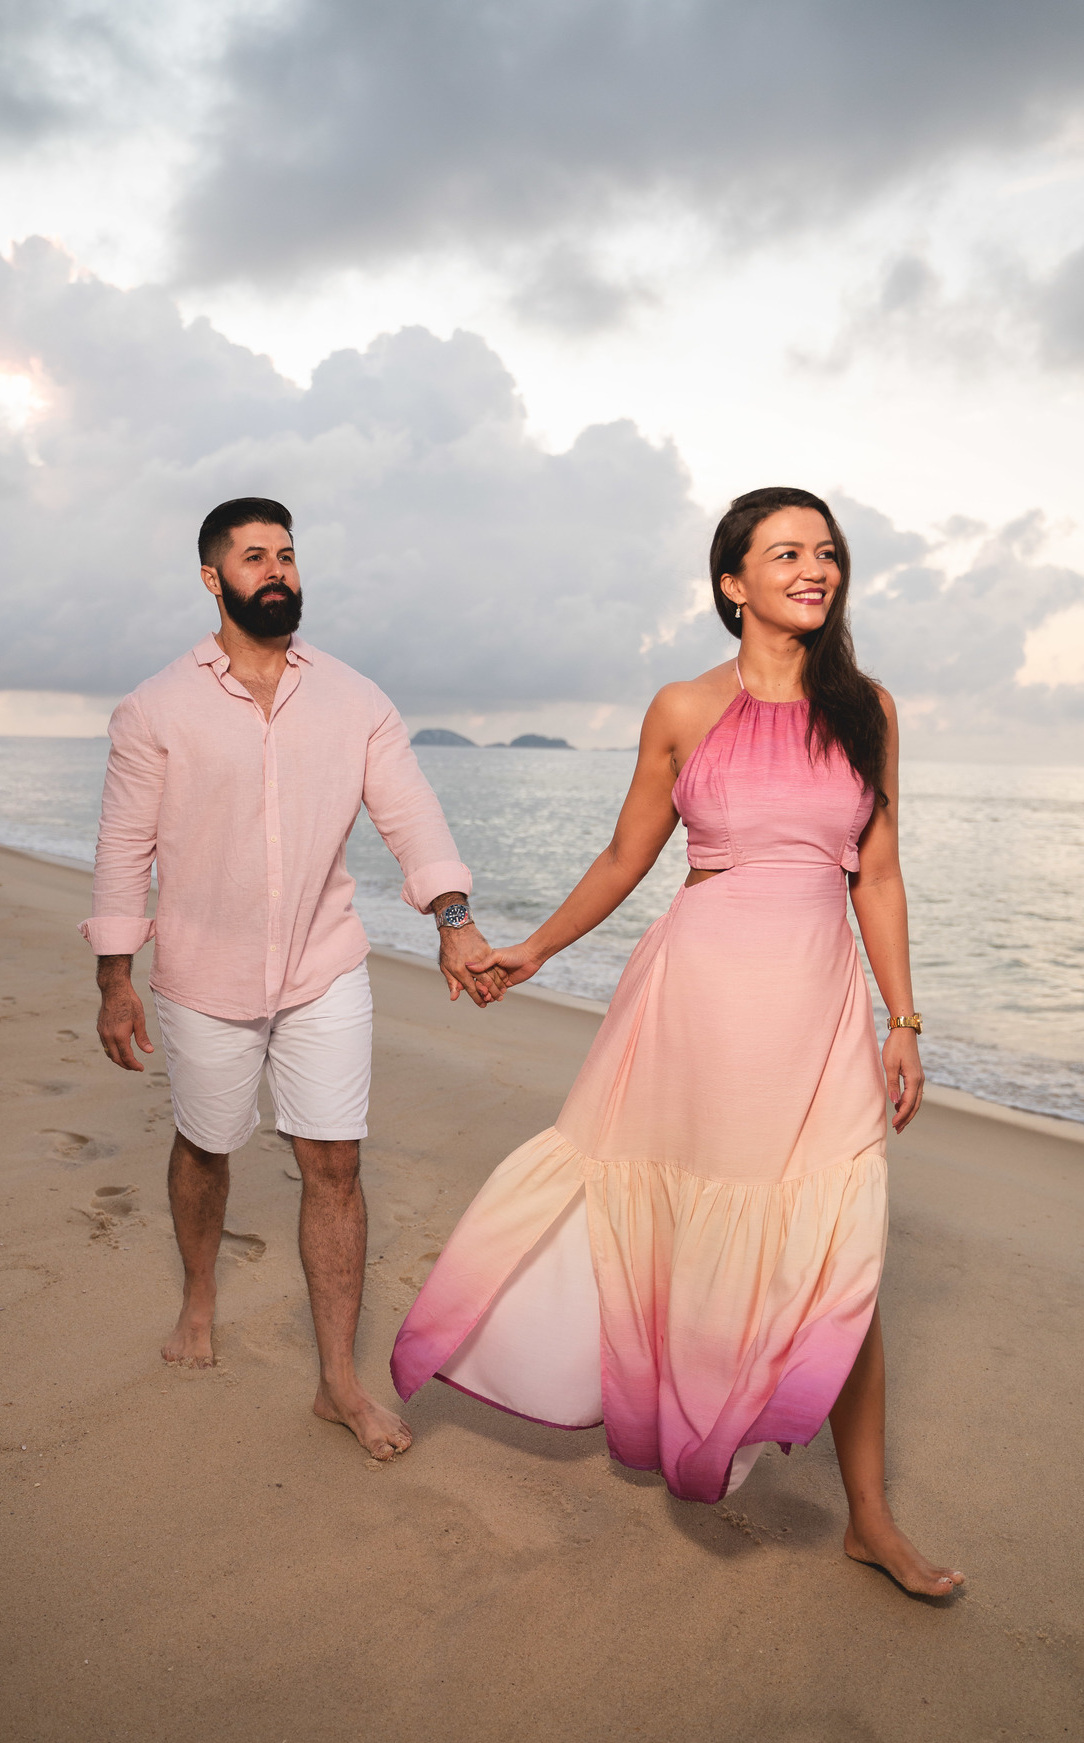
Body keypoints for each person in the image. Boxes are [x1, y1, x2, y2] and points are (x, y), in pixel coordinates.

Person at [393, 486, 964, 1595]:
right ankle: (690, 1409)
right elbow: (624, 857)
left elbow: (879, 876)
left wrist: (904, 1019)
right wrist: (536, 950)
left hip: (818, 1009)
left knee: (841, 1250)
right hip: (699, 1001)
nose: (816, 568)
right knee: (682, 1223)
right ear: (731, 583)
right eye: (787, 552)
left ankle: (872, 1516)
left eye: (829, 552)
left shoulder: (869, 708)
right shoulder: (682, 708)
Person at [82, 496, 501, 1461]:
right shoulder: (155, 708)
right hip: (201, 976)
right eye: (256, 557)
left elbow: (413, 820)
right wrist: (116, 977)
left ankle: (338, 1381)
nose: (278, 571)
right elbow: (121, 852)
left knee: (335, 1166)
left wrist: (454, 922)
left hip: (324, 966)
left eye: (288, 555)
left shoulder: (357, 700)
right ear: (211, 577)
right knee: (208, 1142)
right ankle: (199, 1297)